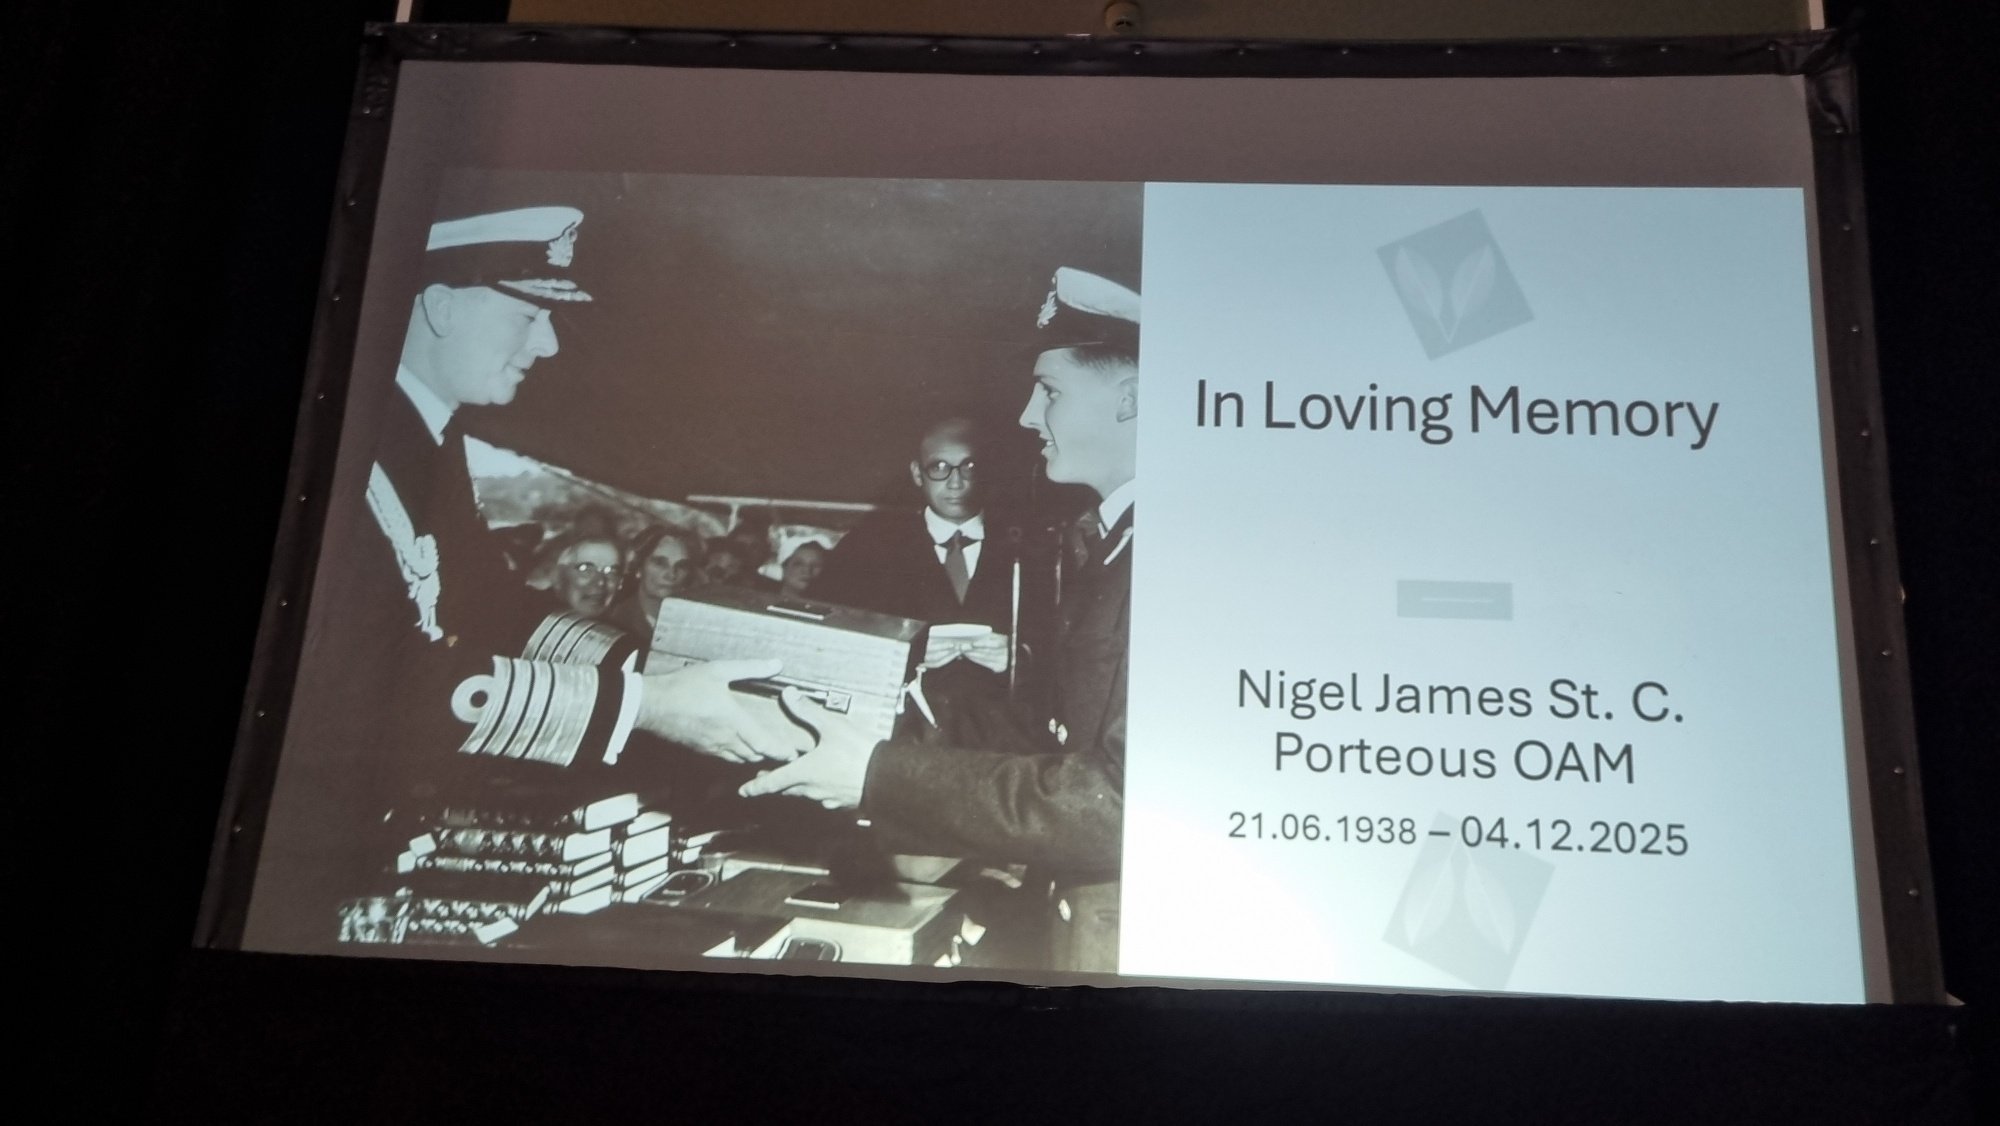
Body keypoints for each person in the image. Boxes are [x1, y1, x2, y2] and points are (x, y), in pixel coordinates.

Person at [248, 207, 798, 949]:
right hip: (284, 867)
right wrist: (646, 703)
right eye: (530, 312)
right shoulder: (350, 449)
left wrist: (654, 665)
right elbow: (372, 681)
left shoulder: (426, 441)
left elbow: (493, 605)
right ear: (439, 307)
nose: (547, 343)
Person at [741, 266, 1139, 974]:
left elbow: (1112, 797)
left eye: (1048, 392)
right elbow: (1069, 743)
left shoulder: (1151, 550)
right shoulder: (1106, 540)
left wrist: (877, 773)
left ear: (1132, 398)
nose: (1025, 417)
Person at [809, 416, 1027, 741]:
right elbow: (827, 640)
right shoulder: (867, 546)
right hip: (900, 739)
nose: (956, 483)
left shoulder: (1031, 546)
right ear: (916, 474)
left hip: (1004, 742)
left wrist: (1018, 658)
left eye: (969, 467)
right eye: (939, 467)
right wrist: (905, 654)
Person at [606, 523, 704, 645]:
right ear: (638, 567)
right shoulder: (615, 624)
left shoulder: (696, 625)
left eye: (681, 566)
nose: (671, 575)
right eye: (660, 563)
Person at [539, 530, 626, 619]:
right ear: (557, 577)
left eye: (611, 572)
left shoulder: (623, 626)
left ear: (620, 582)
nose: (600, 582)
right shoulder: (532, 619)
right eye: (585, 569)